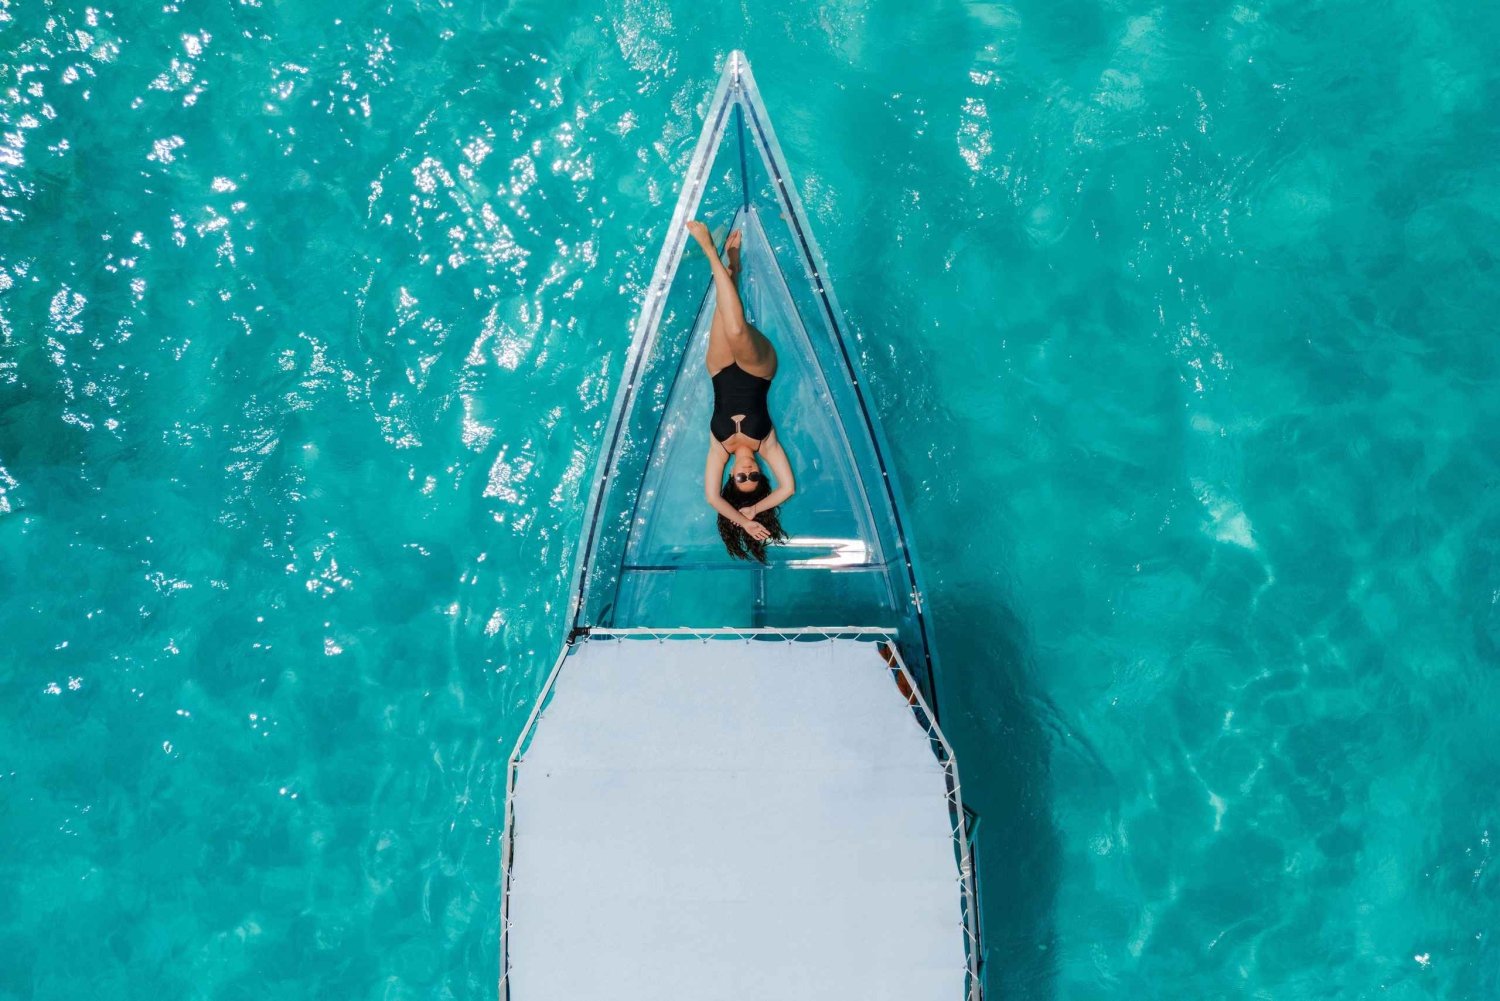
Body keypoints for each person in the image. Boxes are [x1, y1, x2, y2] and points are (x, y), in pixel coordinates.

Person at [685, 220, 795, 562]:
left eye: (739, 477)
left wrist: (741, 520)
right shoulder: (767, 444)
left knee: (724, 306)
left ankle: (733, 265)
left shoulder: (719, 449)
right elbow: (788, 489)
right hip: (759, 368)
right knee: (735, 327)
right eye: (754, 476)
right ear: (761, 473)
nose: (746, 470)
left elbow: (711, 498)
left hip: (719, 370)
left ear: (731, 477)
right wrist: (755, 510)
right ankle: (709, 250)